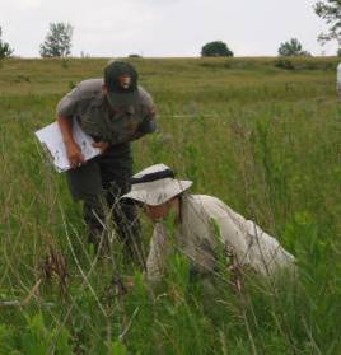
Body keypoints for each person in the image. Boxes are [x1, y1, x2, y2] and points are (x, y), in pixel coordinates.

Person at [122, 164, 295, 285]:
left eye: (147, 203)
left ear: (170, 198)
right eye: (140, 205)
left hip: (270, 273)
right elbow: (153, 277)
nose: (144, 210)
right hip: (222, 286)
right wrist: (131, 285)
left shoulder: (206, 209)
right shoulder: (162, 229)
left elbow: (242, 263)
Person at [56, 61, 156, 263]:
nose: (122, 107)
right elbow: (62, 112)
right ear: (104, 89)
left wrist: (111, 143)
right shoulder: (84, 93)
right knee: (93, 204)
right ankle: (99, 261)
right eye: (117, 100)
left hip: (116, 148)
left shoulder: (144, 103)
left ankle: (135, 259)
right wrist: (69, 144)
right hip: (82, 147)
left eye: (127, 99)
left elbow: (144, 130)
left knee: (123, 202)